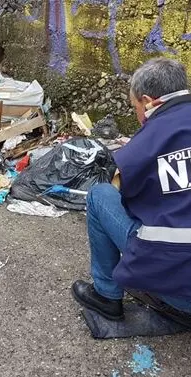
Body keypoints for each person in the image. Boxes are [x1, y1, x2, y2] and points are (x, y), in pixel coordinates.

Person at [71, 57, 191, 325]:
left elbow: (130, 201)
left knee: (101, 195)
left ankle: (106, 295)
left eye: (134, 106)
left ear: (147, 101)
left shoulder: (144, 145)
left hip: (179, 292)